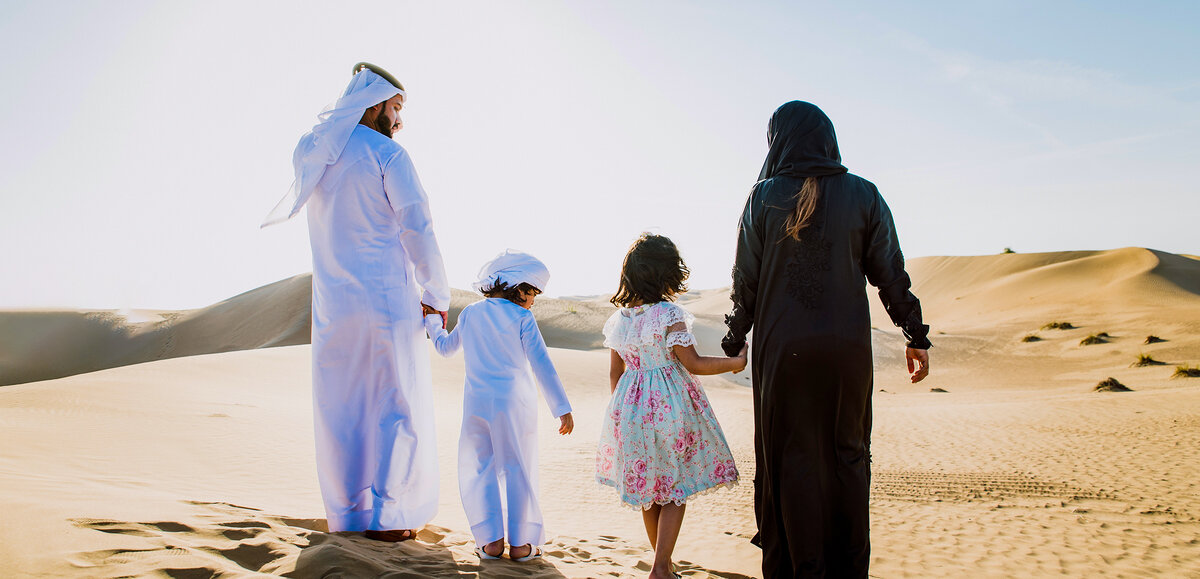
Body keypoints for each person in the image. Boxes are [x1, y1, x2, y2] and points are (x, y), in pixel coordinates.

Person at [722, 101, 931, 578]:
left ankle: (797, 569)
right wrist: (915, 334)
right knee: (848, 454)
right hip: (846, 351)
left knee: (789, 456)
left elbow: (745, 281)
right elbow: (890, 273)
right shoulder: (865, 194)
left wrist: (736, 338)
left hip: (783, 351)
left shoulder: (763, 196)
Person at [261, 63, 451, 540]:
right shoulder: (388, 154)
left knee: (341, 409)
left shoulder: (316, 153)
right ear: (375, 104)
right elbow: (417, 227)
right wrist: (436, 295)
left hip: (330, 306)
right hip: (384, 300)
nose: (400, 120)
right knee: (392, 403)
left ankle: (347, 517)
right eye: (396, 108)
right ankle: (388, 520)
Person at [597, 234, 746, 579]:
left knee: (650, 491)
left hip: (630, 409)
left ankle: (662, 564)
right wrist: (736, 363)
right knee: (674, 487)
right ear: (667, 274)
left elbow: (614, 373)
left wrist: (620, 416)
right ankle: (661, 566)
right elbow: (692, 363)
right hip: (670, 409)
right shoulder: (668, 314)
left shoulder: (620, 320)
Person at [424, 250, 574, 562]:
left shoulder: (470, 313)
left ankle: (490, 542)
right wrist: (561, 408)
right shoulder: (522, 317)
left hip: (477, 405)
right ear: (519, 289)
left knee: (481, 469)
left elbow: (444, 348)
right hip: (513, 404)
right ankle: (520, 545)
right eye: (533, 293)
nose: (533, 300)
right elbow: (541, 364)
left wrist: (432, 321)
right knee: (516, 466)